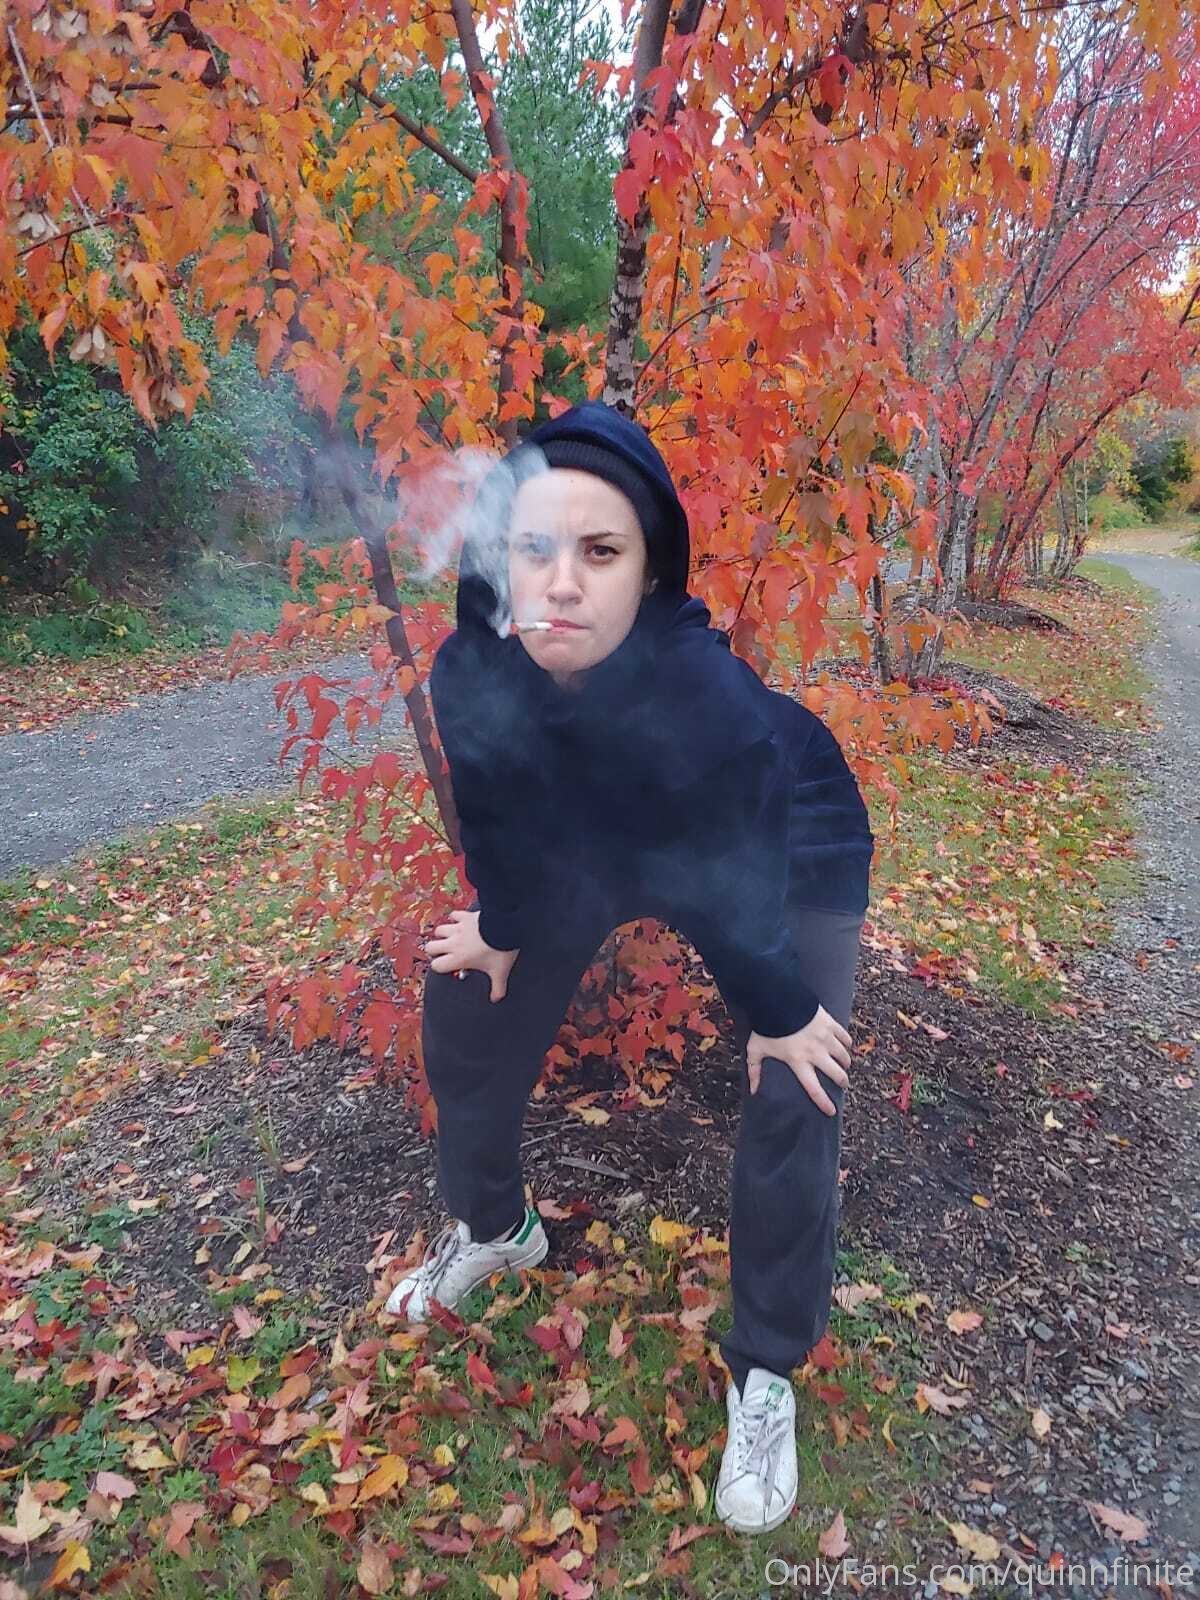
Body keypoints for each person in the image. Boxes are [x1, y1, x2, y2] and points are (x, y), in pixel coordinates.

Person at [384, 400, 875, 1536]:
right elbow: (497, 817)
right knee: (467, 987)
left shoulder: (708, 702)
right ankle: (498, 1229)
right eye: (535, 548)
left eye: (600, 552)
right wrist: (506, 921)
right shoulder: (475, 668)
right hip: (601, 835)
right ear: (499, 559)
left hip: (785, 831)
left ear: (649, 573)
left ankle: (767, 1366)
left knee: (798, 1072)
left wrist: (775, 1004)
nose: (561, 584)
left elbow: (733, 881)